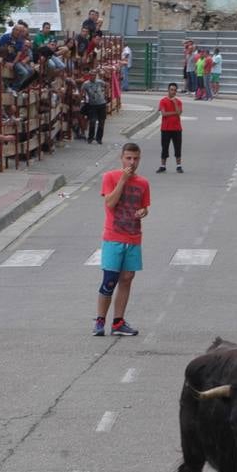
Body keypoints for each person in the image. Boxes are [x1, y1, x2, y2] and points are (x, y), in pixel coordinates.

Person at [93, 142, 150, 337]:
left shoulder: (143, 183)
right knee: (109, 280)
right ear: (121, 158)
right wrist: (123, 181)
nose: (132, 162)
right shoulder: (110, 177)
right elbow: (110, 203)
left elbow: (144, 207)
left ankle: (118, 322)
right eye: (128, 158)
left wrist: (143, 212)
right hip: (113, 237)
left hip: (133, 237)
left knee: (127, 279)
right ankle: (100, 321)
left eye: (135, 159)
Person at [156, 82, 184, 173]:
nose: (173, 92)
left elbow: (179, 112)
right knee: (164, 147)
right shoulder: (163, 101)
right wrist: (175, 112)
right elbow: (164, 114)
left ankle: (178, 166)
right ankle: (162, 165)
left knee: (177, 147)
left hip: (177, 128)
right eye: (171, 90)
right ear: (168, 90)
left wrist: (175, 103)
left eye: (175, 90)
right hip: (166, 128)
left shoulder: (178, 102)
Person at [83, 72, 109, 144]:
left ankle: (99, 138)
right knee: (92, 121)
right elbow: (82, 91)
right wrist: (84, 98)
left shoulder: (99, 82)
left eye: (94, 75)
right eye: (91, 75)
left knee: (101, 122)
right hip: (92, 105)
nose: (93, 77)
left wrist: (106, 94)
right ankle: (90, 137)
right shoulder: (86, 84)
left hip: (101, 104)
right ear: (89, 76)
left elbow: (107, 85)